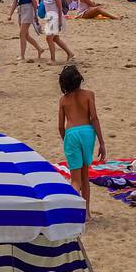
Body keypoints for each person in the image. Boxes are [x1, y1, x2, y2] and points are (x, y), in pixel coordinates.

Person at [57, 64, 105, 214]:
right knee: (85, 177)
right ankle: (87, 213)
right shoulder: (89, 95)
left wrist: (66, 140)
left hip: (71, 133)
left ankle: (73, 212)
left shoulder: (63, 100)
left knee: (75, 180)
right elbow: (94, 118)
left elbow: (60, 126)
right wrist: (102, 143)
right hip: (87, 133)